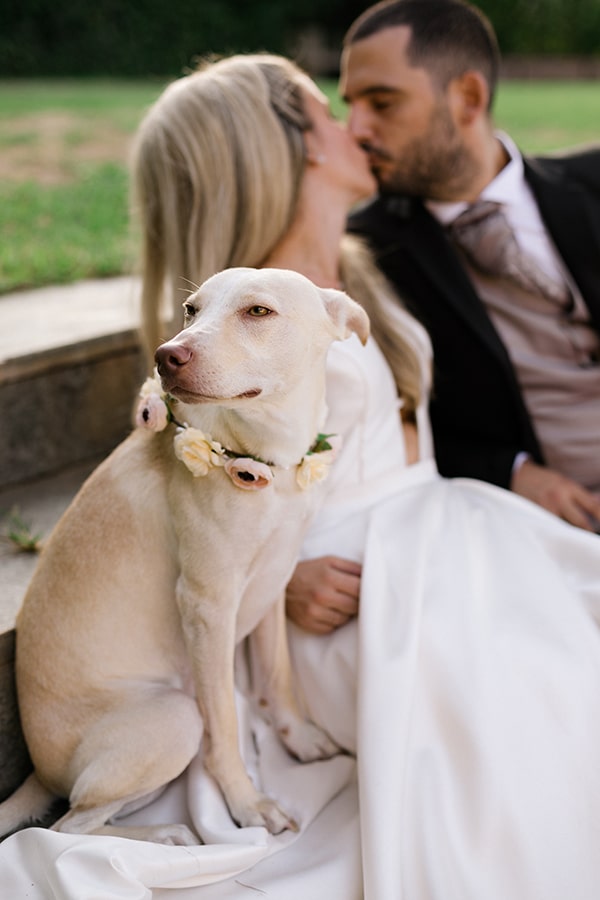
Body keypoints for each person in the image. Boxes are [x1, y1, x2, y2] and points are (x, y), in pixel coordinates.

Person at [3, 52, 600, 900]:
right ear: (291, 147)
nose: (357, 125)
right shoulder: (241, 315)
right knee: (517, 694)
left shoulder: (377, 245)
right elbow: (186, 466)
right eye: (331, 109)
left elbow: (439, 411)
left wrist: (518, 472)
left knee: (564, 621)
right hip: (342, 577)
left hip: (436, 516)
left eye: (371, 102)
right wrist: (281, 580)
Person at [342, 0, 600, 533]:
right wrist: (513, 472)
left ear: (468, 97)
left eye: (382, 103)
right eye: (351, 105)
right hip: (549, 524)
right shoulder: (365, 250)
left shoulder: (591, 184)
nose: (357, 129)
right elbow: (383, 420)